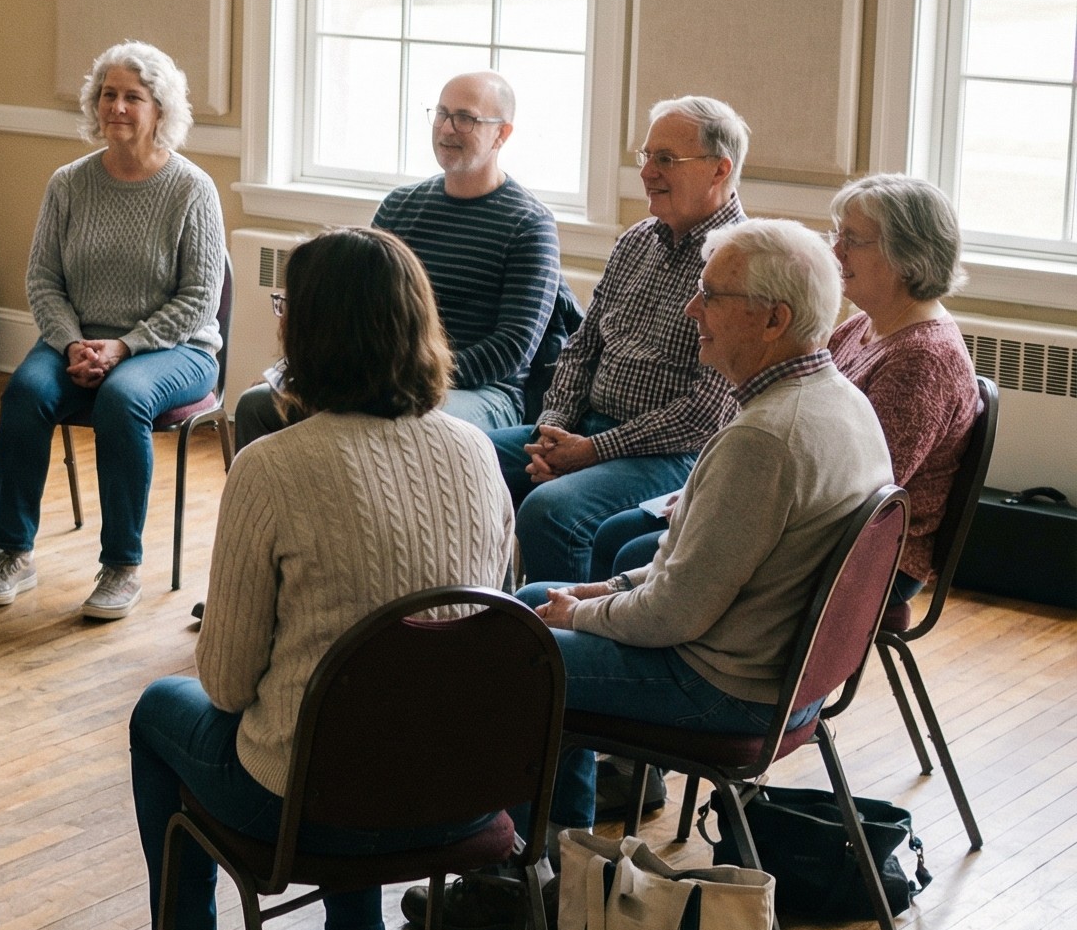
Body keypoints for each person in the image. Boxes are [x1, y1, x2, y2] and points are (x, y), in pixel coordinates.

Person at [412, 218, 892, 930]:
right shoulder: (835, 402)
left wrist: (579, 618)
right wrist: (597, 595)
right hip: (781, 676)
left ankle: (522, 880)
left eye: (711, 295)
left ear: (774, 319)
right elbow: (698, 565)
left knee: (507, 653)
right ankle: (560, 861)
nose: (693, 309)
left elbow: (674, 614)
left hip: (725, 688)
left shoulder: (764, 437)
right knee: (525, 608)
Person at [131, 228, 513, 930]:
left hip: (311, 805)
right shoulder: (480, 453)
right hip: (468, 791)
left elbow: (228, 686)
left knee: (160, 714)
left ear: (308, 332)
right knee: (364, 709)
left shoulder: (270, 467)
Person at [585, 173, 981, 604]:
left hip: (864, 558)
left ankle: (636, 652)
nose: (835, 252)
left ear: (907, 253)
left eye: (853, 239)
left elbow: (857, 493)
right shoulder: (865, 326)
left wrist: (721, 506)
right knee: (616, 534)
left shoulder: (923, 359)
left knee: (631, 549)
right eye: (838, 234)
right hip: (806, 510)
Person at [0, 42, 224, 621]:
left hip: (176, 348)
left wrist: (125, 346)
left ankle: (121, 567)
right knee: (25, 394)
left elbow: (198, 299)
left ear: (160, 109)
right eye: (108, 94)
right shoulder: (68, 183)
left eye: (132, 97)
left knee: (121, 398)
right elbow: (42, 281)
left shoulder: (192, 189)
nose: (117, 106)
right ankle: (13, 553)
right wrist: (71, 344)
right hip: (78, 340)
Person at [483, 96, 748, 589]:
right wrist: (553, 431)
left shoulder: (741, 262)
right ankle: (479, 616)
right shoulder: (636, 240)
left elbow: (704, 415)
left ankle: (558, 649)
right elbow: (581, 349)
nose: (647, 173)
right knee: (463, 455)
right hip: (581, 430)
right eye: (645, 157)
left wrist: (591, 451)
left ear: (719, 170)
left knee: (550, 510)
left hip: (672, 454)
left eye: (666, 159)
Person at [234, 70, 560, 449]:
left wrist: (411, 378)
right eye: (441, 113)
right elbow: (351, 309)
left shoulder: (529, 224)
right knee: (257, 405)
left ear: (502, 134)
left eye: (465, 118)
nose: (447, 128)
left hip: (482, 392)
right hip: (384, 377)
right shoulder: (400, 206)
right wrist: (295, 371)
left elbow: (512, 347)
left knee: (396, 424)